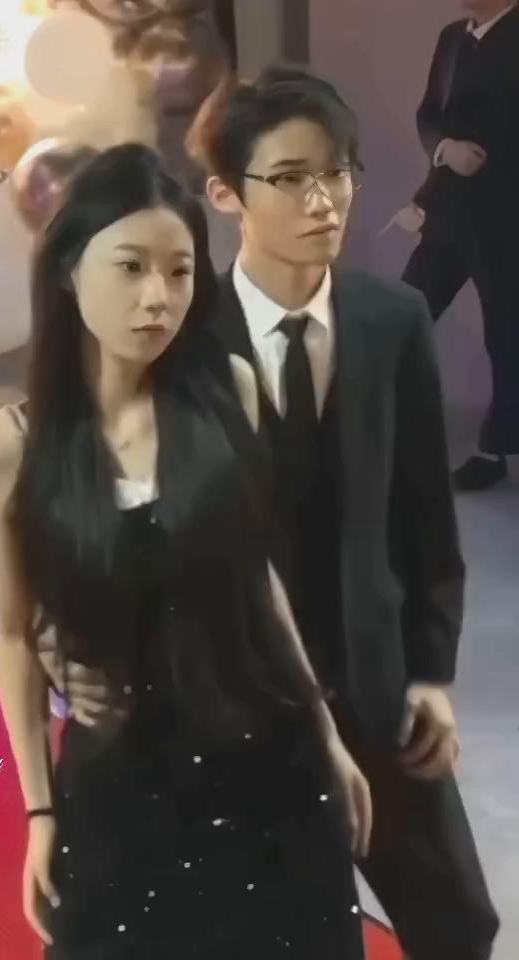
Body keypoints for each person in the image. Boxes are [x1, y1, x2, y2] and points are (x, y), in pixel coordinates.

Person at [0, 143, 371, 960]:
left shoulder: (230, 393)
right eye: (131, 267)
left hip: (269, 771)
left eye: (180, 272)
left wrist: (324, 728)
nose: (158, 297)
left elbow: (255, 580)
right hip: (120, 787)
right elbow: (12, 633)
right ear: (68, 270)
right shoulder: (7, 451)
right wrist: (39, 810)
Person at [179, 68, 498, 960]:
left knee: (458, 920)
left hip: (377, 683)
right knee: (291, 931)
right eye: (291, 178)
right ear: (225, 192)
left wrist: (430, 674)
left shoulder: (391, 319)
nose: (325, 201)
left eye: (340, 172)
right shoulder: (183, 336)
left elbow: (426, 521)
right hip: (240, 698)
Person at [402, 0, 519, 490]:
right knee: (404, 311)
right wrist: (443, 149)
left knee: (506, 337)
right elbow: (430, 113)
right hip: (449, 212)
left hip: (507, 220)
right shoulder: (452, 37)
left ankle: (495, 452)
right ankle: (366, 433)